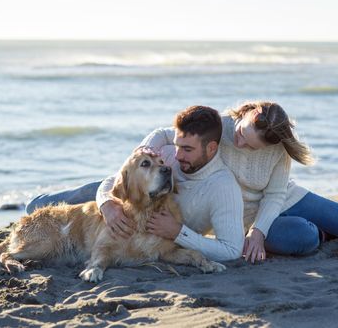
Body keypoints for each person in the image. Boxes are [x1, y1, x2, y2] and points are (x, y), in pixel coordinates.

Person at [136, 101, 338, 263]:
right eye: (241, 135)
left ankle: (337, 216)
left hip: (285, 200)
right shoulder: (220, 126)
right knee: (305, 237)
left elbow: (275, 195)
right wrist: (144, 150)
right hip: (246, 215)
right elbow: (166, 134)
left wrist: (258, 233)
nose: (239, 144)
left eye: (251, 146)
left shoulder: (278, 150)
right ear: (242, 116)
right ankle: (323, 231)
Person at [26, 106, 245, 262]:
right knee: (48, 206)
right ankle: (34, 203)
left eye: (187, 150)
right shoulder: (169, 156)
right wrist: (107, 205)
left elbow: (232, 251)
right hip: (116, 193)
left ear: (211, 149)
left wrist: (178, 233)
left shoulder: (224, 188)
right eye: (177, 145)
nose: (176, 157)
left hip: (143, 205)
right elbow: (117, 179)